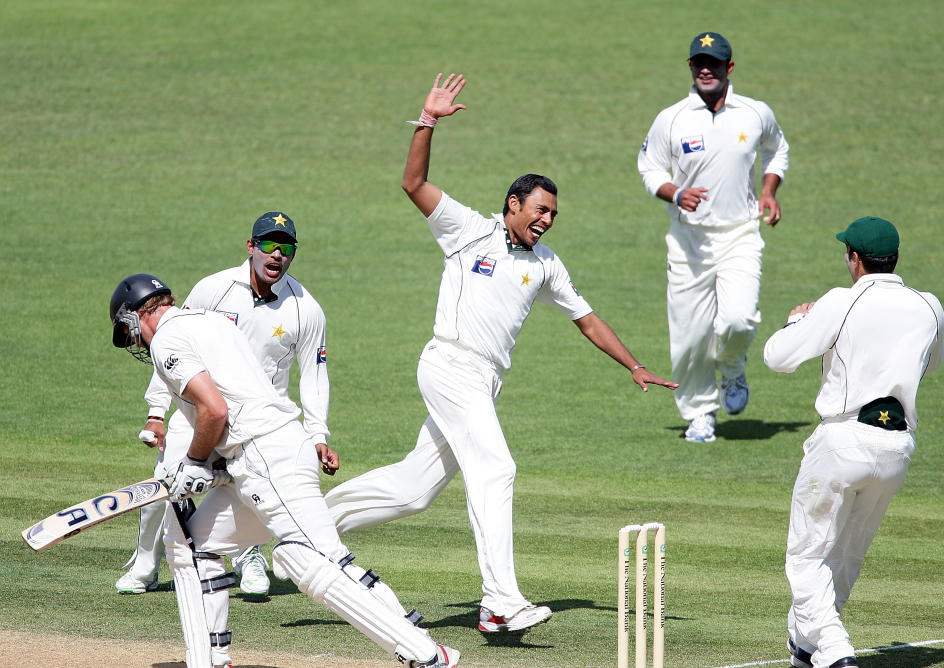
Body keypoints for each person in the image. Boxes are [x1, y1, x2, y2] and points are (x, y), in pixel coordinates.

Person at [324, 73, 678, 633]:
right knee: (496, 468)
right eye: (539, 209)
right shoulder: (469, 231)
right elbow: (413, 183)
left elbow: (587, 320)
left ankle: (314, 524)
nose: (546, 219)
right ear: (513, 204)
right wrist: (428, 120)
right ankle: (499, 603)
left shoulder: (546, 264)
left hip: (483, 379)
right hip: (449, 363)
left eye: (553, 214)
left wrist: (633, 363)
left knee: (414, 491)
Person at [109, 274, 460, 668]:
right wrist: (216, 463)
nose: (134, 341)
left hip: (266, 457)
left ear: (137, 314)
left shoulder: (168, 341)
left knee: (303, 561)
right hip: (268, 451)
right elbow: (239, 399)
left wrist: (193, 463)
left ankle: (427, 655)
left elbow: (215, 410)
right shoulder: (209, 320)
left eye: (128, 331)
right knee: (192, 544)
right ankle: (207, 658)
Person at [116, 212, 338, 603]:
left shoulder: (306, 309)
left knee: (246, 487)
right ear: (250, 247)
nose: (276, 255)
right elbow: (170, 345)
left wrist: (318, 434)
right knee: (168, 477)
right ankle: (145, 563)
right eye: (268, 245)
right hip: (200, 407)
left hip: (255, 420)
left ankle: (248, 557)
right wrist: (157, 411)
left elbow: (314, 374)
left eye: (285, 249)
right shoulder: (214, 289)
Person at [763, 217, 944, 668]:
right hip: (896, 449)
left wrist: (795, 323)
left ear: (855, 259)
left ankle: (836, 649)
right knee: (845, 553)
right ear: (895, 259)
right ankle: (807, 646)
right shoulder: (930, 306)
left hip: (842, 441)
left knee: (807, 557)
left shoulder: (839, 303)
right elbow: (933, 362)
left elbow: (777, 358)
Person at [636, 31, 790, 442]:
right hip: (688, 242)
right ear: (690, 67)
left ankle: (733, 366)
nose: (706, 69)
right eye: (699, 63)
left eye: (715, 63)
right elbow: (649, 167)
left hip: (740, 234)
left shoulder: (755, 113)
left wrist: (769, 191)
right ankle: (700, 414)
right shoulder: (671, 118)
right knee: (689, 337)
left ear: (729, 68)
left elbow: (778, 150)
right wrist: (676, 193)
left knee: (738, 319)